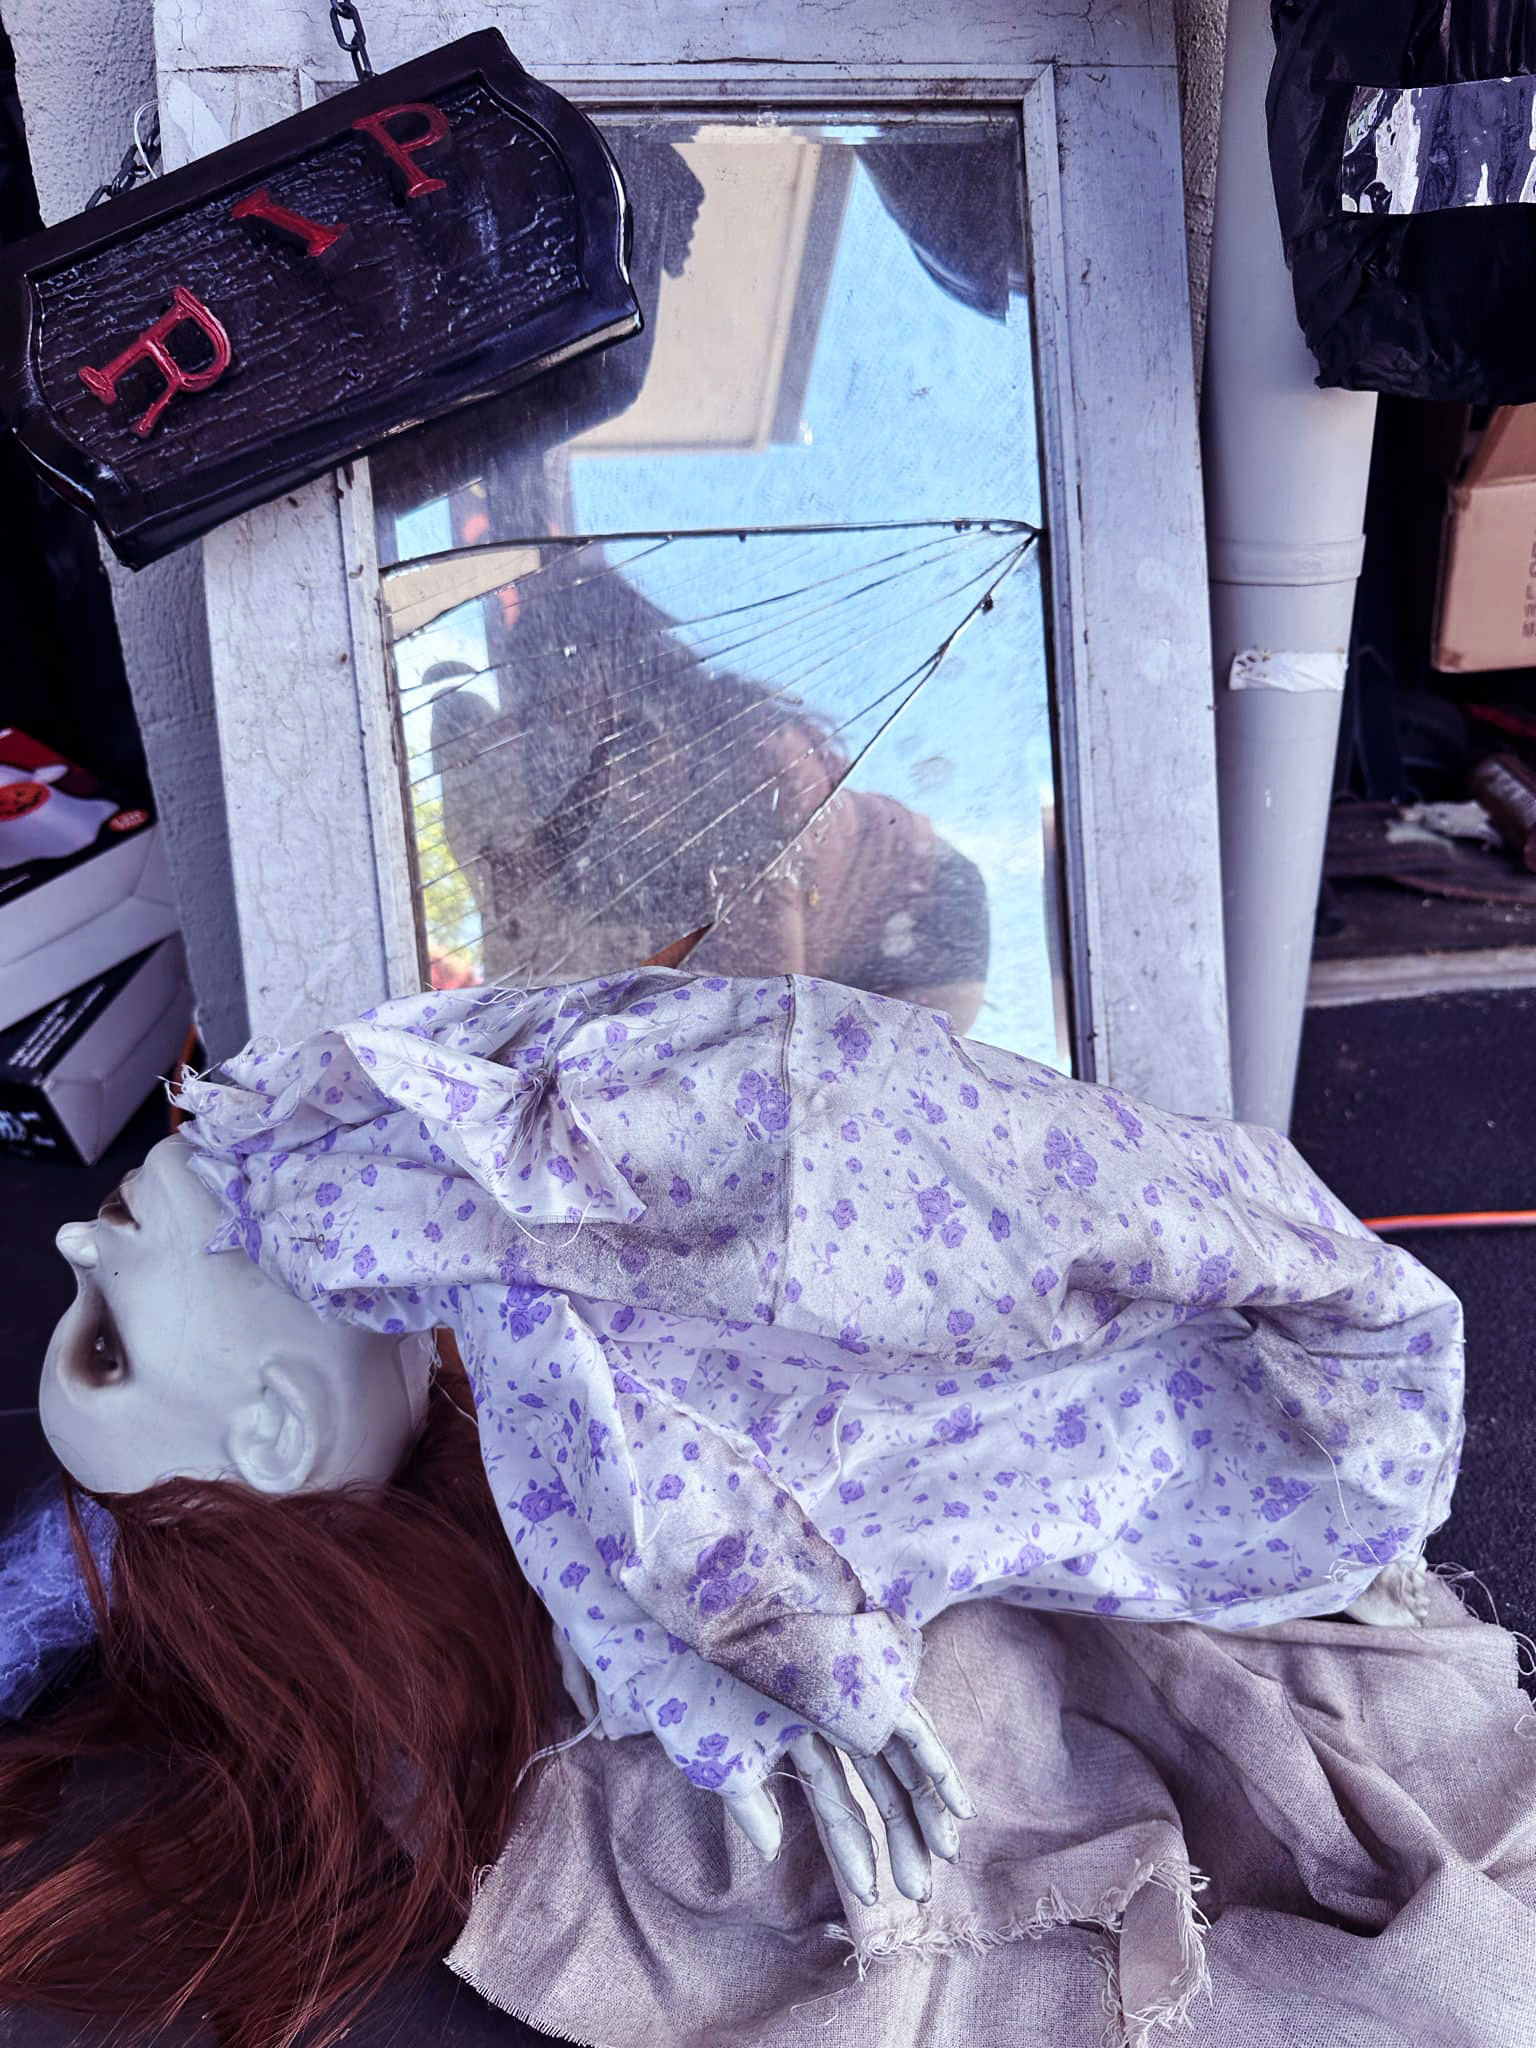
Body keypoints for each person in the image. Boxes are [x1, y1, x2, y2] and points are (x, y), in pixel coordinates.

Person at [1, 969, 1462, 2047]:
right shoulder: (526, 1329)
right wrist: (745, 1639)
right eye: (104, 1344)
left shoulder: (386, 1173)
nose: (73, 1239)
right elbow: (629, 1489)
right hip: (1243, 1351)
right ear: (276, 1428)